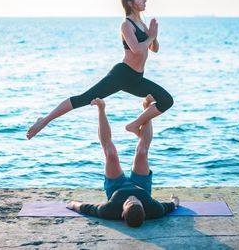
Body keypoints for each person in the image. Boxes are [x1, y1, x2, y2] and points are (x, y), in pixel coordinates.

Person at [27, 0, 173, 139]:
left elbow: (154, 49)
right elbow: (136, 49)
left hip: (136, 78)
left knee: (166, 101)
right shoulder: (126, 25)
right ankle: (43, 122)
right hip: (122, 75)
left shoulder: (142, 24)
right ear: (131, 3)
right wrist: (150, 37)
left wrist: (153, 36)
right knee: (83, 98)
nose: (145, 0)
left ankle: (134, 125)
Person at [67, 96, 179, 227]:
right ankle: (147, 109)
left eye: (129, 202)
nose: (132, 198)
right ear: (144, 208)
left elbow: (85, 208)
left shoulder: (108, 210)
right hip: (141, 185)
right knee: (142, 152)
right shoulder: (155, 209)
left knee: (110, 153)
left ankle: (101, 108)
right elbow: (172, 205)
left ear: (122, 213)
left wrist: (72, 204)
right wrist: (175, 202)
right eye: (136, 201)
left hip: (116, 186)